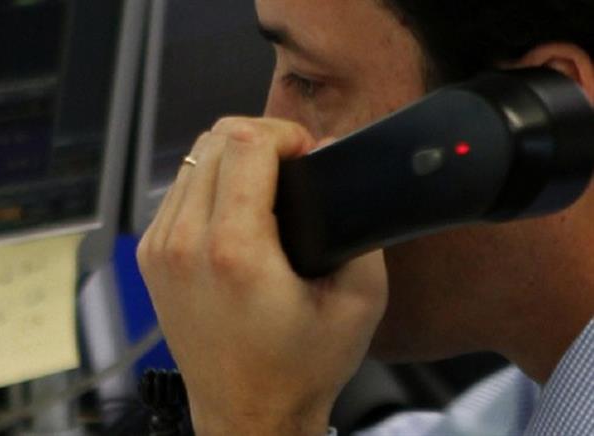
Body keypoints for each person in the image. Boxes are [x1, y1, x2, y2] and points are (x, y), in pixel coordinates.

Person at [136, 0, 594, 434]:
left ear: (554, 106)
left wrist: (258, 418)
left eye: (308, 82)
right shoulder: (516, 405)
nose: (264, 135)